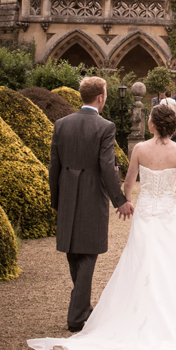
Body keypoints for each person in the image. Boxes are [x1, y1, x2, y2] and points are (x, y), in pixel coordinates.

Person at [28, 103, 176, 350]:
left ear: (152, 124)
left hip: (145, 210)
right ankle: (171, 312)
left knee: (139, 258)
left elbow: (129, 182)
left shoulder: (139, 149)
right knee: (172, 259)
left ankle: (133, 308)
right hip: (168, 212)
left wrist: (126, 202)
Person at [43, 76, 133, 333]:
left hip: (67, 194)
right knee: (88, 253)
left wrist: (55, 200)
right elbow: (106, 166)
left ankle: (81, 306)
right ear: (100, 98)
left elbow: (54, 166)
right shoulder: (105, 126)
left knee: (74, 251)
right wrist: (120, 200)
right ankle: (78, 315)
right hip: (92, 194)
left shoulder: (61, 124)